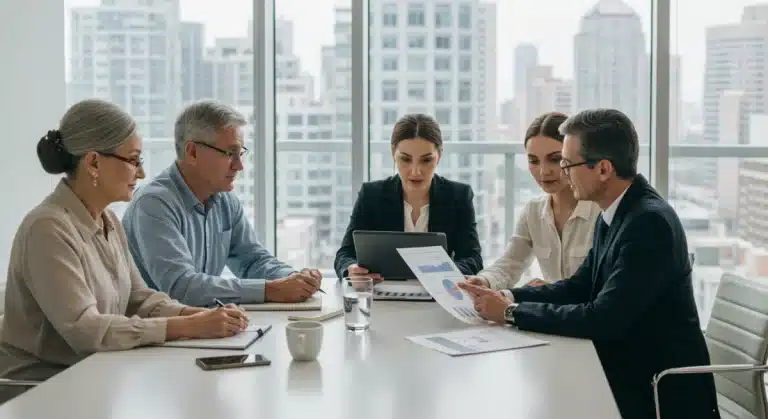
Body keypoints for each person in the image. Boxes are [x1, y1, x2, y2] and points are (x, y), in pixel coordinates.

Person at [459, 109, 719, 419]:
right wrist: (510, 297)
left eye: (567, 163)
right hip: (626, 366)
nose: (562, 173)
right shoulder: (615, 212)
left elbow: (603, 318)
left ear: (604, 169)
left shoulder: (648, 223)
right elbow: (579, 287)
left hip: (656, 389)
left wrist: (512, 314)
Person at [0, 99, 248, 401]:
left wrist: (198, 314)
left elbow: (138, 299)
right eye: (133, 160)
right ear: (93, 162)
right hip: (42, 392)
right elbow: (87, 330)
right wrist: (187, 325)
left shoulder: (108, 221)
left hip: (95, 377)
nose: (142, 173)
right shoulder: (47, 228)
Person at [123, 100, 321, 307]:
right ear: (192, 152)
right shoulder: (154, 204)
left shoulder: (224, 199)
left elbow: (252, 260)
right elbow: (182, 288)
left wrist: (295, 279)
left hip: (203, 327)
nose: (239, 166)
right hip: (159, 333)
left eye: (240, 153)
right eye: (229, 153)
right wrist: (271, 289)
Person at [334, 113, 483, 280]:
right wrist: (351, 269)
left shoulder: (458, 196)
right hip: (383, 292)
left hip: (437, 294)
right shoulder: (372, 195)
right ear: (393, 155)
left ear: (439, 156)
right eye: (405, 159)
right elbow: (345, 254)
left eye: (426, 160)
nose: (415, 171)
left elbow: (473, 259)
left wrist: (441, 272)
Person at [465, 112, 600, 289]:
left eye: (555, 159)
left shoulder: (601, 212)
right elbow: (510, 264)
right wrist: (483, 281)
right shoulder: (533, 211)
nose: (543, 171)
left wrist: (550, 291)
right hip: (552, 313)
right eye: (533, 161)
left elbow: (603, 288)